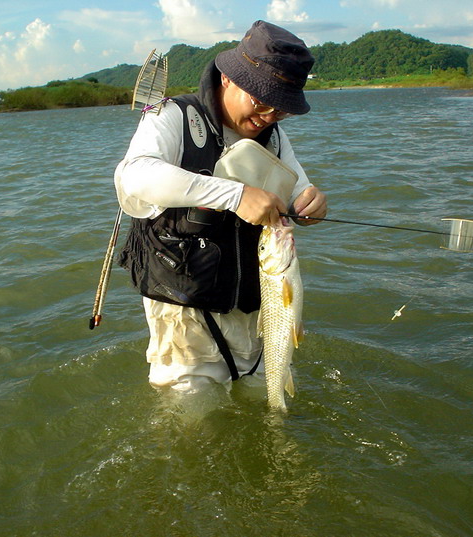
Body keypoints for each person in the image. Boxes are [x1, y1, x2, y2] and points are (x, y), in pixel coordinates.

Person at [114, 20, 327, 393]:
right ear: (228, 78)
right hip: (185, 314)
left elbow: (299, 187)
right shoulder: (170, 117)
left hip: (254, 312)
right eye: (260, 102)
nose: (268, 117)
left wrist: (311, 202)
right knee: (191, 429)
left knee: (267, 407)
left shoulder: (273, 134)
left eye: (281, 110)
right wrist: (235, 194)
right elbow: (135, 176)